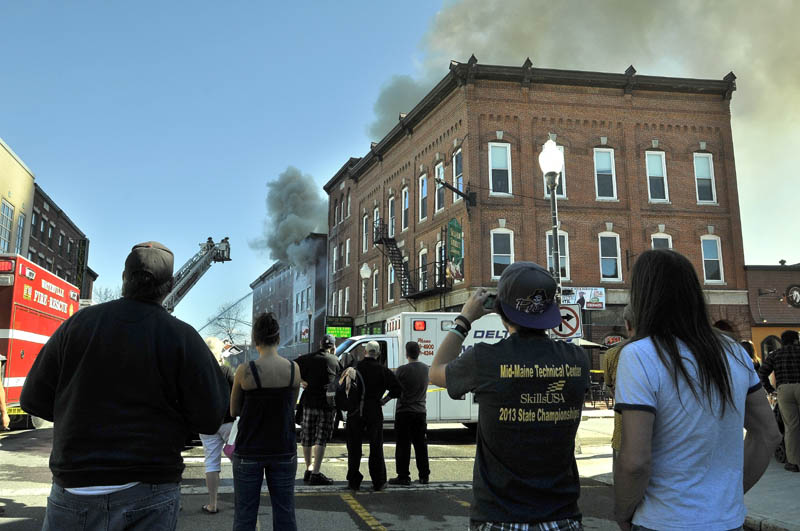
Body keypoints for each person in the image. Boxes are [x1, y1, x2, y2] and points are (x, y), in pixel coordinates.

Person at [20, 241, 230, 531]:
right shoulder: (183, 337)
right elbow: (211, 415)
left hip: (73, 490)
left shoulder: (77, 325)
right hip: (150, 489)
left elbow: (32, 400)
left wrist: (79, 415)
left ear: (123, 278)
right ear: (169, 285)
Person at [613, 249, 782, 531]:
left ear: (642, 295)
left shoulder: (639, 355)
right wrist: (725, 498)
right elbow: (768, 433)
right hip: (727, 521)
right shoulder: (734, 352)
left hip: (662, 520)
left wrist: (622, 511)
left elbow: (636, 461)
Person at [430, 261, 590, 530]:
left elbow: (435, 371)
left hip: (500, 518)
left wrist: (464, 319)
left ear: (500, 309)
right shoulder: (578, 359)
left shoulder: (484, 358)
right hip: (563, 517)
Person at [230, 312, 301, 530]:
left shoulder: (245, 371)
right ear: (278, 338)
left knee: (245, 513)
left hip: (249, 449)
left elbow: (234, 411)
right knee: (285, 512)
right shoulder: (293, 369)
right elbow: (291, 406)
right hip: (283, 448)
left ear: (255, 338)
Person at [342, 340, 401, 491]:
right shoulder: (383, 371)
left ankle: (354, 480)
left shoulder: (355, 368)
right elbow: (397, 390)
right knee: (376, 446)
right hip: (374, 410)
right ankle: (378, 480)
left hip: (355, 412)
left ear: (365, 352)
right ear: (379, 354)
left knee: (354, 447)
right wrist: (384, 400)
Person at [295, 334, 340, 485]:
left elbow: (291, 367)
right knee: (321, 438)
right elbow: (341, 379)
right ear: (332, 347)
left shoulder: (307, 358)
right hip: (326, 406)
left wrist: (301, 381)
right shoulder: (335, 360)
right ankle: (316, 473)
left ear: (320, 344)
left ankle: (308, 469)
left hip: (308, 403)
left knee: (306, 437)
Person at [199, 339, 236, 514]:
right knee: (238, 459)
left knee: (211, 463)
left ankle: (212, 504)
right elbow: (237, 391)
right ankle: (244, 499)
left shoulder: (197, 371)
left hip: (207, 424)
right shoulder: (226, 370)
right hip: (228, 421)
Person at [388, 341, 430, 486]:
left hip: (404, 412)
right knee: (420, 445)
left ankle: (403, 476)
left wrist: (383, 400)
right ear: (419, 352)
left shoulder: (401, 370)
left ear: (407, 354)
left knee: (403, 446)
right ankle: (424, 476)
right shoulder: (426, 369)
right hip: (420, 413)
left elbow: (394, 390)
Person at [758, 329, 800, 472]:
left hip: (784, 390)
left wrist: (770, 390)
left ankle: (793, 462)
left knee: (791, 426)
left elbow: (762, 373)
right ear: (795, 340)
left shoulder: (775, 354)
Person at [602, 305, 634, 469]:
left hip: (623, 433)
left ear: (627, 325)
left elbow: (608, 385)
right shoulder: (665, 351)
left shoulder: (612, 354)